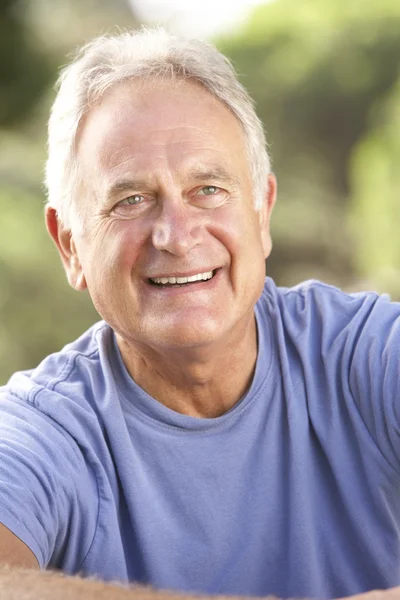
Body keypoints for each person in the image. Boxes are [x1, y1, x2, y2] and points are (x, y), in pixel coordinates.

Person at [0, 25, 400, 600]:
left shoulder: (360, 353)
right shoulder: (47, 429)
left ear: (262, 212)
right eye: (131, 199)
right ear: (70, 245)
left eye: (208, 189)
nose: (176, 235)